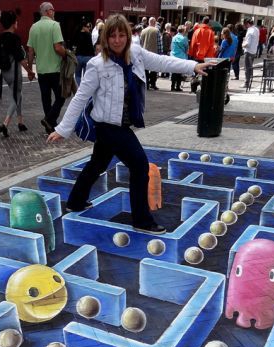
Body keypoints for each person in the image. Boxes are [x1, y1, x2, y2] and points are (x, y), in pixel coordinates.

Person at [46, 14, 215, 235]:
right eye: (112, 36)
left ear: (127, 35)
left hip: (120, 124)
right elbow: (80, 98)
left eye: (121, 35)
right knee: (139, 166)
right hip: (108, 127)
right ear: (105, 38)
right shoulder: (97, 65)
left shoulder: (135, 54)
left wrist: (193, 66)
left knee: (97, 164)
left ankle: (75, 201)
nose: (117, 40)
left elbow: (163, 61)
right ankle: (142, 220)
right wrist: (62, 129)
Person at [27, 2, 67, 134]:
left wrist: (30, 70)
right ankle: (49, 120)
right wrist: (66, 55)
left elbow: (30, 51)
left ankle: (49, 126)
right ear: (48, 11)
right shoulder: (55, 25)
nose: (54, 12)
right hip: (55, 69)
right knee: (61, 97)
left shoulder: (33, 27)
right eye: (53, 10)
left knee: (46, 98)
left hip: (41, 70)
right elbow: (58, 47)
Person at [0, 10, 31, 137]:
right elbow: (21, 58)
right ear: (14, 23)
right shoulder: (15, 38)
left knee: (19, 95)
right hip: (15, 72)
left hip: (4, 73)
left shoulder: (0, 38)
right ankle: (5, 123)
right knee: (16, 97)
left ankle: (20, 122)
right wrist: (30, 71)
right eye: (16, 21)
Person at [139, 19, 161, 89]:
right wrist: (160, 52)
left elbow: (140, 42)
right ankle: (153, 83)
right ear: (154, 22)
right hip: (154, 52)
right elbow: (159, 43)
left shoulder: (143, 31)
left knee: (145, 69)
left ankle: (147, 84)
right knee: (154, 69)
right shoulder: (156, 30)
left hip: (144, 52)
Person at [73, 20, 95, 85]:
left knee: (77, 75)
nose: (89, 28)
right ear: (83, 27)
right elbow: (91, 46)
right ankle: (85, 88)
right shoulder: (88, 35)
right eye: (87, 26)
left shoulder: (77, 34)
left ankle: (79, 87)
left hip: (79, 56)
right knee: (86, 76)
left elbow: (74, 44)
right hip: (87, 57)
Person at [242, 18, 259, 88]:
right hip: (254, 50)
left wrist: (243, 45)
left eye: (245, 25)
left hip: (248, 51)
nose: (245, 26)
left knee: (247, 67)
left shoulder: (250, 31)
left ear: (248, 24)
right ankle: (249, 80)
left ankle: (246, 83)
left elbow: (247, 44)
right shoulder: (256, 29)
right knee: (250, 67)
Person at [170, 25, 188, 92]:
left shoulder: (174, 37)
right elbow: (186, 48)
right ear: (183, 31)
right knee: (179, 72)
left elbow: (171, 47)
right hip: (181, 56)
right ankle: (178, 86)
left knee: (174, 72)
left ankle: (172, 86)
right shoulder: (184, 38)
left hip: (173, 56)